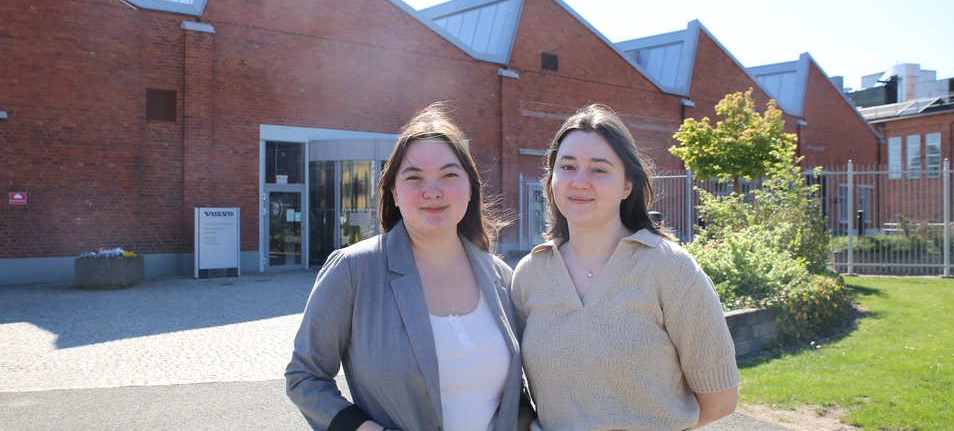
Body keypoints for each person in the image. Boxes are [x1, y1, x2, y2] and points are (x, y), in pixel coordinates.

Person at [286, 103, 531, 431]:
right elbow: (305, 376)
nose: (432, 190)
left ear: (470, 188)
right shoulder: (353, 271)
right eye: (414, 177)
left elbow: (518, 394)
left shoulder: (500, 275)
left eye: (449, 174)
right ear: (394, 193)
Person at [512, 104, 739, 430]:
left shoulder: (671, 270)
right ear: (552, 179)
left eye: (599, 170)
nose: (579, 182)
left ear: (627, 186)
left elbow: (720, 400)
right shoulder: (530, 274)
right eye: (568, 166)